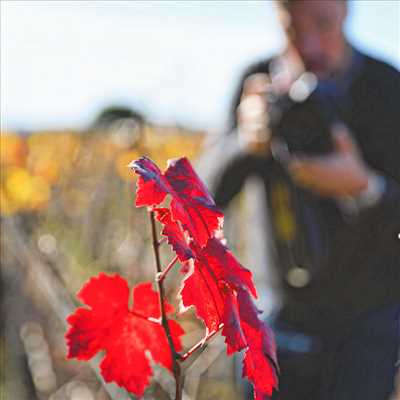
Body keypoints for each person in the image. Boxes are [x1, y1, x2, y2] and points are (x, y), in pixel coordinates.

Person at [210, 1, 400, 399]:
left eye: (323, 24)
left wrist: (366, 188)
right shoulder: (258, 83)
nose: (309, 45)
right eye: (292, 30)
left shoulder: (387, 87)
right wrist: (244, 143)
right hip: (274, 316)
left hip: (366, 325)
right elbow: (204, 195)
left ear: (347, 10)